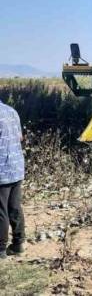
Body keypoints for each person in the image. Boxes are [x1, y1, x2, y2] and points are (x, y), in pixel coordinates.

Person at [0, 99, 25, 259]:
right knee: (14, 207)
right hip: (16, 167)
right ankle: (18, 244)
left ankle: (1, 249)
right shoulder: (11, 111)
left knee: (1, 211)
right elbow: (20, 137)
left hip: (1, 170)